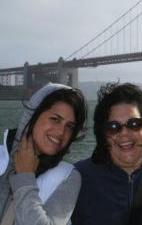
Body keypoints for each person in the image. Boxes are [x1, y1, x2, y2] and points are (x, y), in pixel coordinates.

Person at [71, 82, 142, 225]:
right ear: (103, 135)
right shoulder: (77, 177)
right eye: (113, 127)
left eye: (134, 124)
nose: (124, 134)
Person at [0, 83, 87, 225]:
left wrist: (25, 179)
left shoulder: (66, 176)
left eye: (70, 127)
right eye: (55, 119)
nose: (61, 132)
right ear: (32, 117)